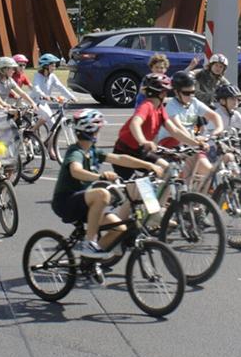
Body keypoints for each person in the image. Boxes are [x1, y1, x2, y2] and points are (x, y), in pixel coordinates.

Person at [52, 108, 164, 259]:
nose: (99, 133)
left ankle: (90, 261)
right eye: (98, 130)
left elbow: (119, 159)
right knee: (102, 194)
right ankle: (89, 242)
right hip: (66, 202)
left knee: (120, 229)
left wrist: (148, 165)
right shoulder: (76, 151)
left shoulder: (93, 151)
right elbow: (75, 171)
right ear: (92, 132)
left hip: (85, 203)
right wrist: (99, 177)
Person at [112, 73, 204, 183]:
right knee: (133, 193)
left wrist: (195, 143)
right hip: (124, 153)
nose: (165, 94)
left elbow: (174, 131)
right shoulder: (147, 106)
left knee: (167, 169)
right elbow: (134, 124)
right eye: (164, 91)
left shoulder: (159, 108)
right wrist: (144, 141)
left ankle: (161, 200)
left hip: (141, 151)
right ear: (159, 93)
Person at [160, 70, 223, 188]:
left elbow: (215, 116)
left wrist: (216, 131)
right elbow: (178, 129)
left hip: (190, 143)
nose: (190, 96)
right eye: (186, 93)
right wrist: (195, 141)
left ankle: (197, 204)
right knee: (187, 176)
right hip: (171, 143)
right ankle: (185, 197)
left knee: (208, 172)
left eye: (193, 92)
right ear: (176, 92)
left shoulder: (194, 102)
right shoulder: (171, 106)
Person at [29, 54, 77, 148]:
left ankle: (50, 149)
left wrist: (71, 96)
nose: (54, 68)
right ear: (46, 66)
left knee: (53, 127)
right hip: (35, 101)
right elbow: (36, 88)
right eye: (52, 66)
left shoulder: (52, 77)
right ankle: (32, 131)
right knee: (47, 116)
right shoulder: (37, 76)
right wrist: (43, 95)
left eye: (54, 65)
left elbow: (61, 87)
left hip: (44, 103)